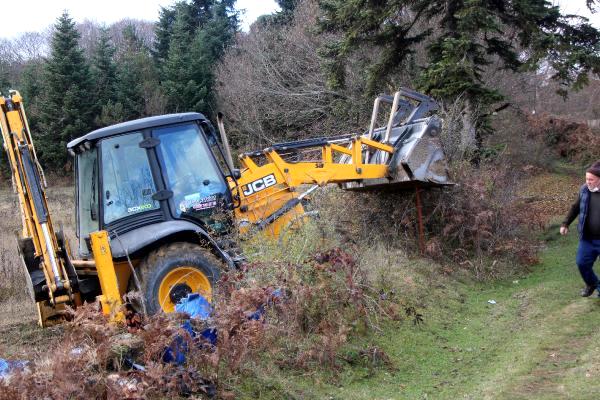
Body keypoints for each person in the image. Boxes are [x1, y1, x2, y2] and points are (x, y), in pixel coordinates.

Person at [561, 160, 600, 297]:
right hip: (587, 237)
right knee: (582, 263)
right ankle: (592, 284)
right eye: (586, 179)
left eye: (591, 179)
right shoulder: (584, 189)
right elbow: (575, 207)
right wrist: (565, 223)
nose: (588, 182)